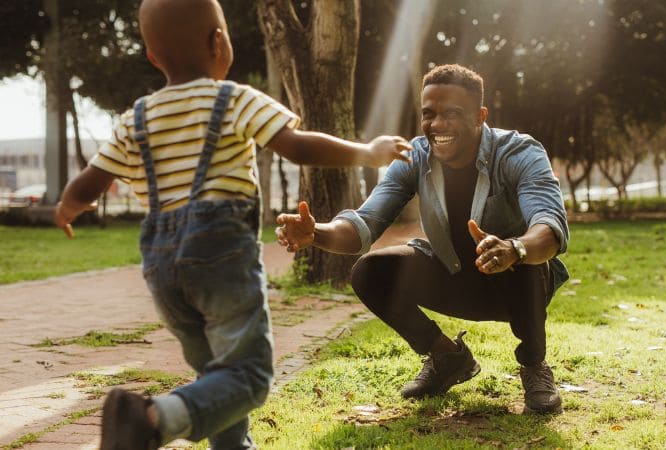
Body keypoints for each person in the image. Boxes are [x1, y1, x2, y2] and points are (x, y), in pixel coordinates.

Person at [53, 0, 410, 448]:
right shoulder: (234, 99)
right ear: (219, 42)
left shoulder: (136, 119)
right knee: (249, 376)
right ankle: (150, 418)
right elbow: (297, 147)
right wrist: (368, 152)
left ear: (152, 56)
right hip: (219, 260)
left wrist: (67, 208)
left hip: (162, 270)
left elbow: (88, 183)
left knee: (218, 377)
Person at [276, 64, 570, 413]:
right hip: (453, 276)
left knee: (525, 257)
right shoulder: (414, 157)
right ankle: (447, 357)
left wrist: (513, 248)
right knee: (370, 271)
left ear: (480, 116)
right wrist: (316, 233)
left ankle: (534, 366)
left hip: (515, 285)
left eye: (452, 114)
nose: (437, 125)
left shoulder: (518, 152)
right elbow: (364, 224)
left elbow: (549, 225)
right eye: (429, 114)